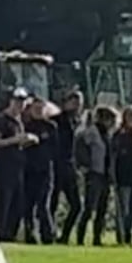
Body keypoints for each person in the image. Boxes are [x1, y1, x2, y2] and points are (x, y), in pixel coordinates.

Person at [0, 88, 36, 242]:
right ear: (11, 101)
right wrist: (15, 140)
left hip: (18, 168)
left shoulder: (20, 121)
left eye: (23, 102)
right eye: (17, 101)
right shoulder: (2, 120)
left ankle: (10, 235)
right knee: (3, 202)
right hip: (3, 167)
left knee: (17, 204)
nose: (20, 105)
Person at [74, 105, 116, 246]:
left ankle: (97, 238)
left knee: (102, 208)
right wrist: (84, 164)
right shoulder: (92, 132)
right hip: (94, 173)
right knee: (89, 207)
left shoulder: (107, 135)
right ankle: (80, 237)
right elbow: (79, 145)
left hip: (104, 174)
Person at [23, 96, 58, 244]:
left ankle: (48, 235)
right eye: (35, 108)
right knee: (28, 205)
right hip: (28, 169)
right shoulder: (26, 126)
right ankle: (29, 235)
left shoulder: (51, 127)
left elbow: (56, 148)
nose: (38, 111)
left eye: (40, 108)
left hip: (45, 169)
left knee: (43, 204)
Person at [50, 91, 83, 244]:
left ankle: (65, 236)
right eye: (73, 101)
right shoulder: (56, 121)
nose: (76, 105)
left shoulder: (78, 122)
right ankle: (49, 233)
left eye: (79, 102)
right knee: (52, 203)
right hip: (56, 165)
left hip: (70, 166)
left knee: (76, 205)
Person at [111, 106, 132, 246]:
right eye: (128, 115)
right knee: (123, 210)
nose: (131, 118)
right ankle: (122, 236)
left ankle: (129, 234)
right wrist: (113, 175)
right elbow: (114, 157)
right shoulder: (119, 135)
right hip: (123, 178)